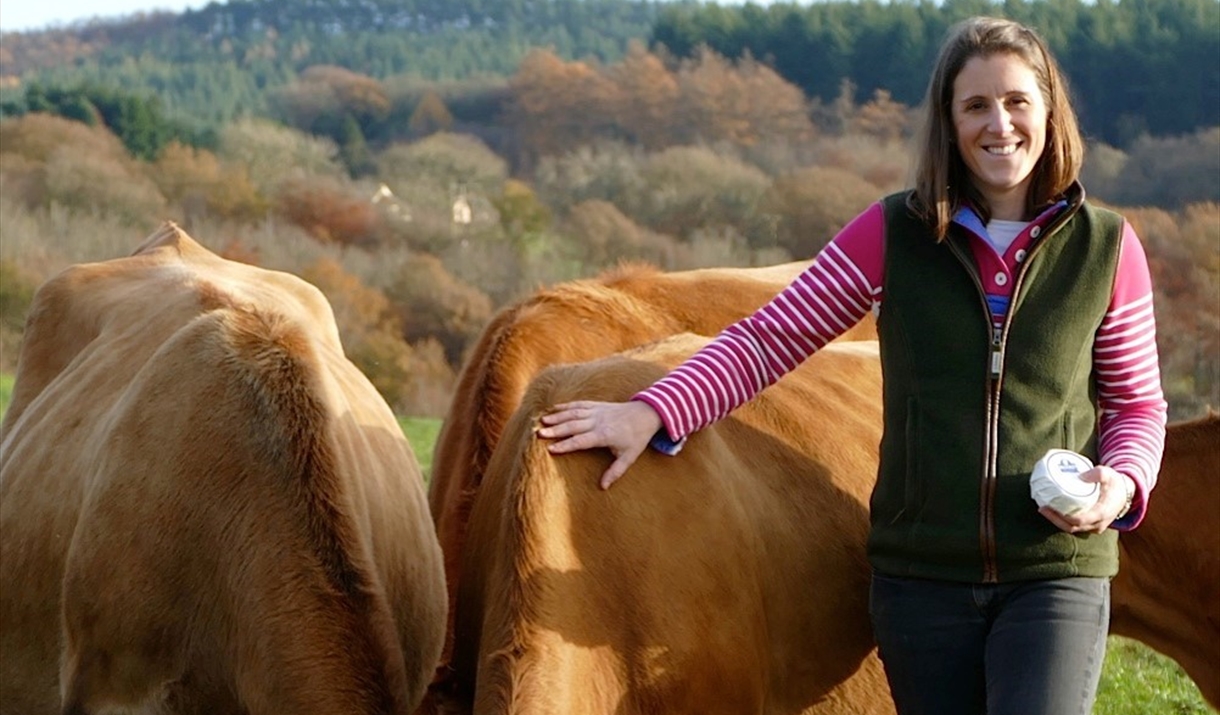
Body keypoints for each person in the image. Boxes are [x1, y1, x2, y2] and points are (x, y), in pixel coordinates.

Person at [536, 15, 1168, 715]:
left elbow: (1137, 404)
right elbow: (768, 339)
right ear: (948, 122)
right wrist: (653, 409)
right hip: (920, 582)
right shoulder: (892, 232)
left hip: (1055, 571)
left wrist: (1121, 484)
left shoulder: (1107, 248)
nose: (1000, 124)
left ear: (1049, 111)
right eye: (976, 105)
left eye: (1018, 101)